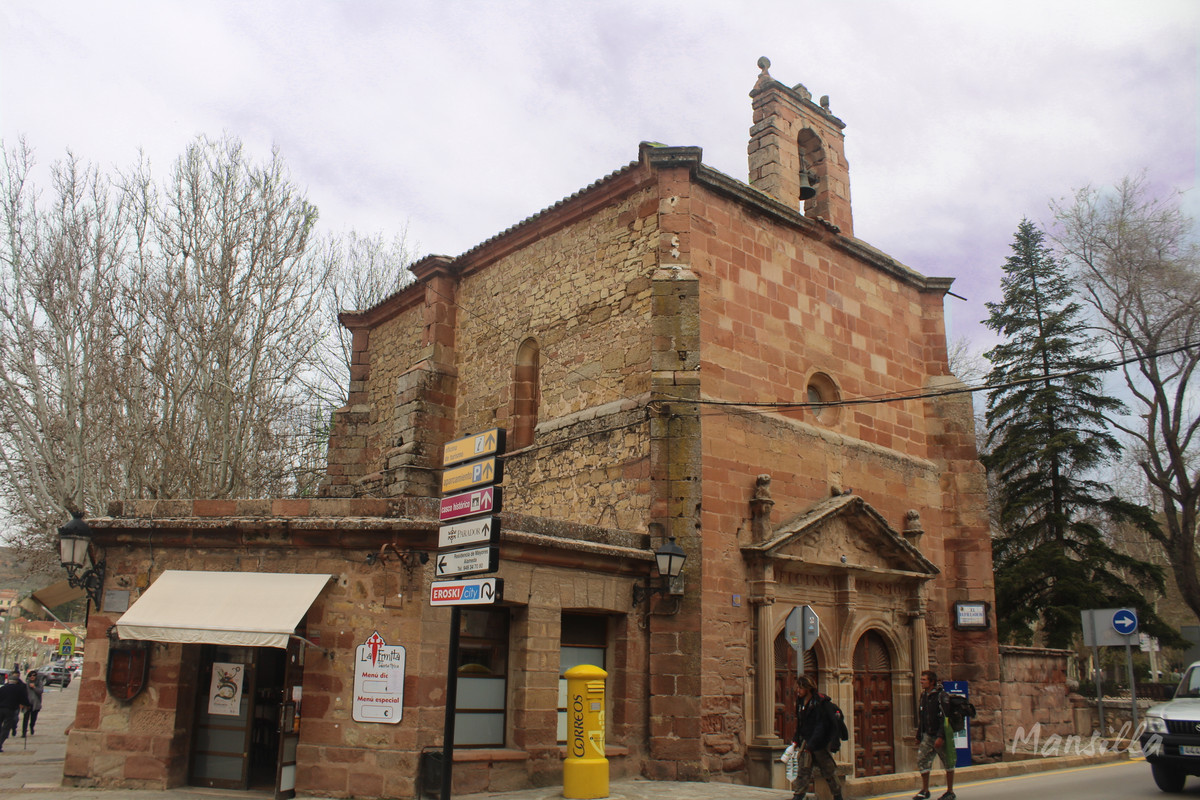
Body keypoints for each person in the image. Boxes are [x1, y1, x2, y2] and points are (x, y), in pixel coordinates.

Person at [789, 674, 843, 800]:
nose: (798, 691)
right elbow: (801, 723)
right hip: (806, 740)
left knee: (828, 771)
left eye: (800, 688)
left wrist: (812, 745)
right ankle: (798, 795)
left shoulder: (820, 703)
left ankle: (837, 795)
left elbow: (821, 726)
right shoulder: (800, 702)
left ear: (807, 688)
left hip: (820, 744)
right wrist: (796, 739)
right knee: (803, 769)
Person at [913, 669, 955, 800]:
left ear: (931, 682)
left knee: (948, 762)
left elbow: (945, 717)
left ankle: (950, 791)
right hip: (928, 735)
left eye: (924, 680)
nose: (921, 682)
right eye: (921, 679)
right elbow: (922, 717)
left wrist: (941, 736)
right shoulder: (924, 696)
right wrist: (919, 736)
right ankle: (925, 790)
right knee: (922, 760)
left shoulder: (941, 696)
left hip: (940, 735)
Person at [0, 671, 29, 753]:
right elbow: (24, 699)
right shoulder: (19, 689)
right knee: (6, 727)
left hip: (1, 709)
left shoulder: (2, 688)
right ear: (16, 681)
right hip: (10, 710)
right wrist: (27, 705)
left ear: (9, 681)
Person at [22, 669, 43, 737]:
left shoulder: (39, 683)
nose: (32, 677)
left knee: (33, 718)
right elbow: (23, 693)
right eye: (30, 675)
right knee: (25, 718)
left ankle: (31, 726)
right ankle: (24, 732)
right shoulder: (26, 684)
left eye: (34, 675)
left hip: (36, 703)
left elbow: (40, 691)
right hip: (27, 703)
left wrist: (34, 687)